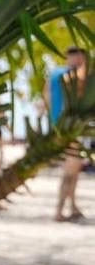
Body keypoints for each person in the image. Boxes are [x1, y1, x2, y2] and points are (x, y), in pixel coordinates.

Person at [45, 47, 89, 223]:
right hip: (70, 128)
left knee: (75, 168)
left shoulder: (54, 74)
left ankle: (72, 206)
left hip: (63, 126)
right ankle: (59, 209)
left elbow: (46, 96)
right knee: (70, 169)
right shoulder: (69, 75)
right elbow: (80, 84)